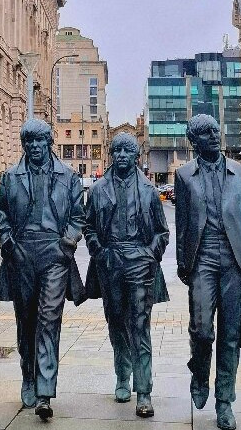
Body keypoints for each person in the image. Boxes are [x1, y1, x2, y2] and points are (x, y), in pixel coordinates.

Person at [175, 114, 241, 430]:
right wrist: (182, 263)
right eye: (205, 133)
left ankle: (224, 403)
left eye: (215, 130)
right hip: (202, 260)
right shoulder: (185, 176)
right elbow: (183, 224)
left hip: (235, 263)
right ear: (195, 141)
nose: (214, 135)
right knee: (202, 330)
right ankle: (200, 372)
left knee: (229, 336)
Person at [0, 118, 86, 420]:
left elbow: (77, 216)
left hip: (54, 255)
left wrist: (67, 243)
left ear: (49, 143)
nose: (34, 146)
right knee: (26, 321)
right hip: (22, 254)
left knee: (49, 319)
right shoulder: (10, 177)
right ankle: (28, 376)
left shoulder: (68, 177)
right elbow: (1, 212)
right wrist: (7, 242)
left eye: (39, 141)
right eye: (29, 142)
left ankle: (45, 391)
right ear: (24, 145)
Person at [83, 132, 169, 418]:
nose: (121, 155)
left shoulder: (147, 190)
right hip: (110, 263)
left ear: (136, 156)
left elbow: (162, 232)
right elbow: (89, 228)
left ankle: (143, 391)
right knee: (116, 322)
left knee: (140, 325)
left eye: (127, 151)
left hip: (139, 262)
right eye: (117, 150)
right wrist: (100, 252)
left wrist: (149, 255)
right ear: (111, 155)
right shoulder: (97, 190)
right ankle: (123, 375)